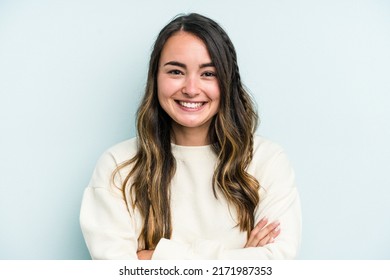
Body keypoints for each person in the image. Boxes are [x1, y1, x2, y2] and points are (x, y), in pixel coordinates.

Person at [80, 13, 301, 260]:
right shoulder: (117, 166)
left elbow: (277, 263)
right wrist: (242, 258)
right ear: (155, 78)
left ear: (227, 81)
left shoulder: (266, 161)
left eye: (208, 73)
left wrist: (154, 256)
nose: (191, 89)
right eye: (176, 71)